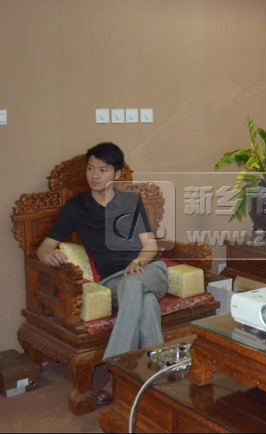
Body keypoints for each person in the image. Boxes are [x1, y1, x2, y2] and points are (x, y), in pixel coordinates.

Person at [37, 142, 168, 406]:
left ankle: (116, 373)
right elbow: (44, 247)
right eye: (90, 168)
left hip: (150, 271)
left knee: (135, 284)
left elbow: (151, 246)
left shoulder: (131, 202)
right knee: (146, 301)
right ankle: (158, 373)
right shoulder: (76, 208)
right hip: (114, 283)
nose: (94, 175)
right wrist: (48, 255)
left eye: (103, 170)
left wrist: (137, 262)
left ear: (117, 174)